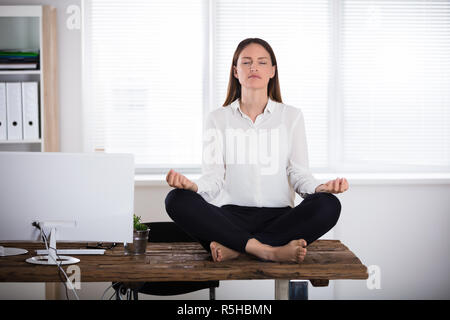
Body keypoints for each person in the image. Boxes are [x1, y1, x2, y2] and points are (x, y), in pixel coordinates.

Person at [164, 38, 348, 264]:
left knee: (328, 204)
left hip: (280, 219)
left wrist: (319, 188)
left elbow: (298, 173)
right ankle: (268, 250)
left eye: (262, 62)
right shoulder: (217, 118)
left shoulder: (291, 116)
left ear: (272, 71)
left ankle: (239, 249)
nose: (254, 67)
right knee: (176, 199)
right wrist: (193, 187)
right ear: (235, 71)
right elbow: (213, 179)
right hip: (230, 219)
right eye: (246, 62)